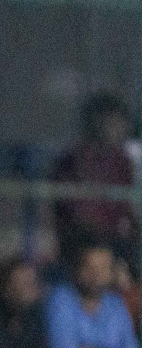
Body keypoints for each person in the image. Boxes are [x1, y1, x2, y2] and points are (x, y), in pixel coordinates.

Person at [52, 92, 137, 265]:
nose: (120, 129)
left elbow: (126, 206)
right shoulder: (75, 160)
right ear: (98, 123)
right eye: (113, 123)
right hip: (83, 243)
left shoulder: (122, 162)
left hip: (115, 242)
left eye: (121, 123)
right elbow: (71, 208)